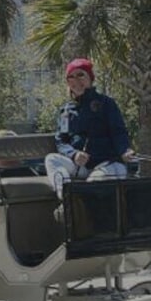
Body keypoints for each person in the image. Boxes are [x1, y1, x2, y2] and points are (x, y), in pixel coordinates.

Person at [45, 58, 134, 197]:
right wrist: (74, 154)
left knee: (95, 183)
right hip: (81, 166)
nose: (76, 80)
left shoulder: (107, 103)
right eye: (71, 77)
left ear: (90, 78)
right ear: (68, 82)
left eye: (81, 75)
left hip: (106, 164)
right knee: (51, 159)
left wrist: (124, 150)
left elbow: (119, 132)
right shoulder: (66, 111)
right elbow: (61, 141)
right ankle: (66, 198)